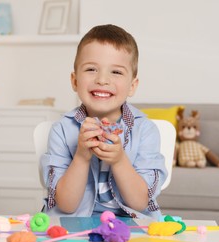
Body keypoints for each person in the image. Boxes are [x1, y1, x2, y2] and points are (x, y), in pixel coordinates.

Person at [41, 24, 168, 219]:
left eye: (116, 72)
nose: (102, 80)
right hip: (75, 226)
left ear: (132, 86)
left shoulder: (145, 130)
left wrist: (119, 160)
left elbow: (140, 202)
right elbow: (66, 205)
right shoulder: (62, 130)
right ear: (75, 81)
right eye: (91, 69)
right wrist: (82, 156)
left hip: (131, 228)